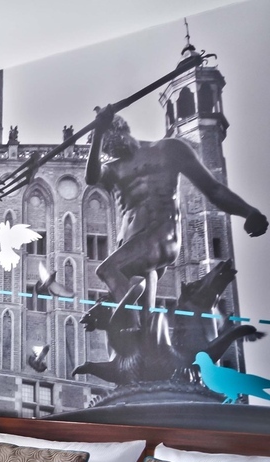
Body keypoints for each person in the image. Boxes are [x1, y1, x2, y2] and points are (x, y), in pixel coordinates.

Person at [82, 105, 267, 335]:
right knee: (144, 315)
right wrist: (98, 133)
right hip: (131, 247)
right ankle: (145, 337)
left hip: (161, 235)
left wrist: (248, 212)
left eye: (108, 140)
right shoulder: (112, 169)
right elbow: (91, 177)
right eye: (105, 147)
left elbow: (213, 189)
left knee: (107, 269)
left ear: (120, 129)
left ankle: (133, 329)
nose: (110, 150)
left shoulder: (168, 150)